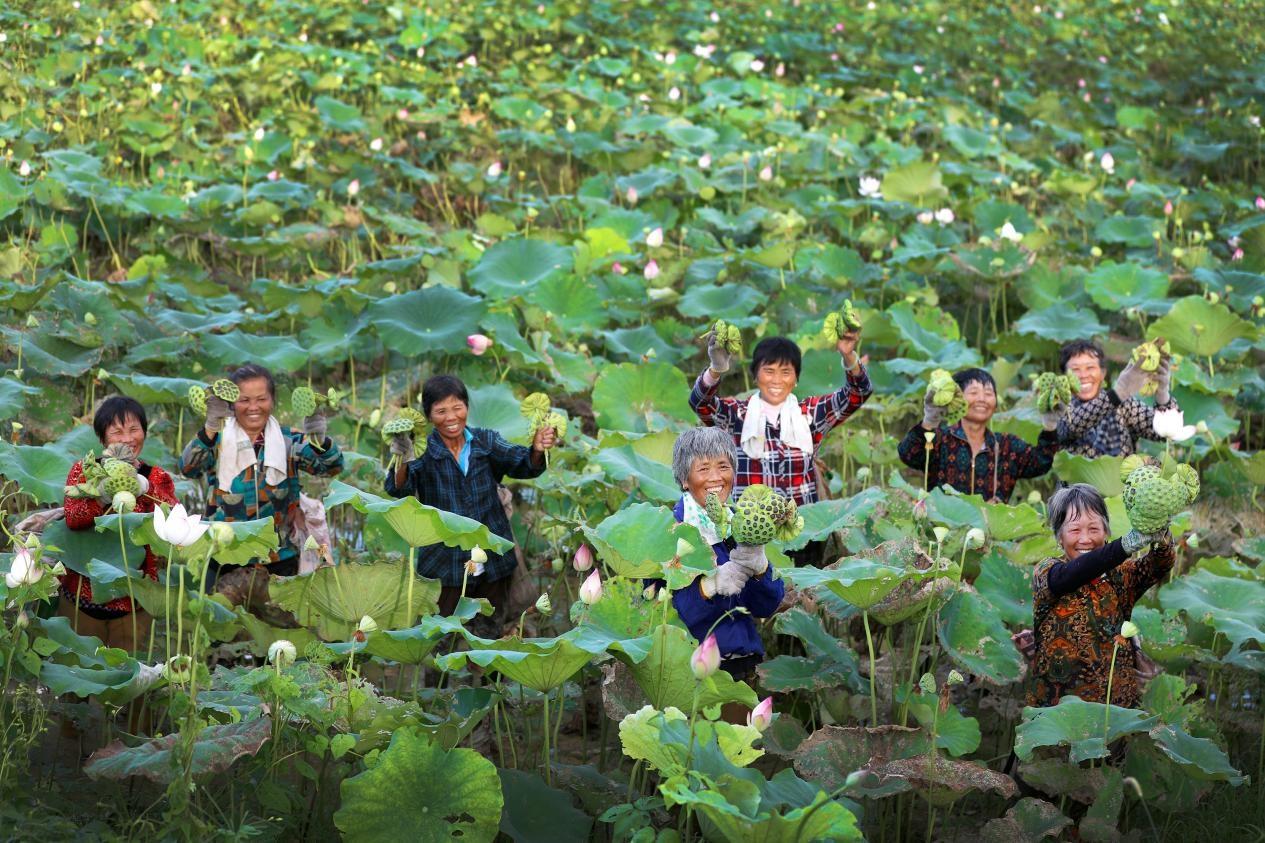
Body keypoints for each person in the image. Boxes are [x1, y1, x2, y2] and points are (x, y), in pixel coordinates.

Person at [384, 374, 557, 627]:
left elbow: (522, 463)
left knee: (491, 625)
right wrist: (403, 458)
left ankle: (486, 662)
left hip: (491, 551)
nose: (451, 417)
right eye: (441, 411)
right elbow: (398, 490)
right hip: (446, 559)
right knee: (442, 631)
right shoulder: (422, 452)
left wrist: (537, 449)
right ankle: (442, 666)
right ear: (429, 416)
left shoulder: (486, 441)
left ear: (467, 407)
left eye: (457, 408)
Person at [689, 327, 871, 565]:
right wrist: (716, 368)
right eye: (769, 371)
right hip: (750, 534)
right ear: (756, 376)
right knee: (756, 599)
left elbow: (858, 393)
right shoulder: (737, 416)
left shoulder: (810, 414)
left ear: (796, 379)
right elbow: (700, 403)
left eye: (786, 372)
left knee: (804, 595)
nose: (776, 380)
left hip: (801, 534)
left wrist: (849, 357)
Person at [178, 363, 343, 595]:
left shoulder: (290, 441)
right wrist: (210, 427)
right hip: (225, 553)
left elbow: (331, 467)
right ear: (232, 403)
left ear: (272, 401)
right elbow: (187, 468)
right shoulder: (216, 440)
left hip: (278, 555)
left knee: (277, 627)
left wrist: (321, 439)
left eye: (261, 399)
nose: (253, 407)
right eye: (244, 400)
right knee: (225, 625)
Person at [646, 427, 785, 685]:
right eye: (703, 469)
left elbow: (766, 606)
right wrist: (708, 587)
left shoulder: (740, 525)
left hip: (744, 660)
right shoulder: (666, 534)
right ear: (684, 478)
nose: (715, 478)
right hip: (691, 669)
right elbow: (659, 612)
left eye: (723, 466)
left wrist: (761, 569)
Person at [1028, 483, 1174, 708]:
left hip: (1114, 708)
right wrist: (1125, 545)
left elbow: (1160, 564)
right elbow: (1069, 576)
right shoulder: (1047, 571)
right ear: (1059, 537)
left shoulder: (1123, 576)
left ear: (1106, 532)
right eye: (1075, 530)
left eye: (1094, 529)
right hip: (1058, 713)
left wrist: (1160, 528)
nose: (1085, 539)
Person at [60, 396, 179, 652]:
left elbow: (173, 517)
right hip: (82, 595)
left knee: (127, 679)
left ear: (144, 433)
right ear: (103, 439)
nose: (127, 439)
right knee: (79, 677)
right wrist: (101, 493)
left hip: (134, 600)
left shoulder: (156, 477)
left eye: (134, 429)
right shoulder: (85, 471)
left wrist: (143, 486)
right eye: (117, 431)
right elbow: (73, 519)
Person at [897, 367, 1059, 503]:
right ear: (957, 399)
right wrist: (930, 420)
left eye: (989, 393)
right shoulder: (940, 440)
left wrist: (1050, 424)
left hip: (991, 534)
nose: (982, 399)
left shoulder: (1006, 446)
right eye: (974, 392)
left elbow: (1041, 462)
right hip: (943, 532)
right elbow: (908, 454)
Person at [1058, 339, 1178, 457]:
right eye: (1075, 370)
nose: (1083, 375)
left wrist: (1162, 393)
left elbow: (1167, 433)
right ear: (1064, 376)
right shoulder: (1058, 408)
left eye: (1090, 368)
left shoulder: (1125, 405)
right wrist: (1121, 390)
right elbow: (1070, 427)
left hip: (1121, 477)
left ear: (1103, 373)